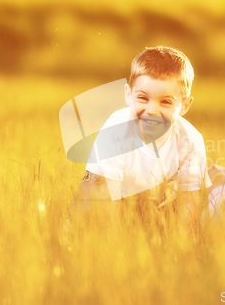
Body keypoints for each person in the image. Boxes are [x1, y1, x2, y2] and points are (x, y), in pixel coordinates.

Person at [75, 46, 211, 229]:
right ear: (128, 95)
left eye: (166, 102)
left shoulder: (190, 141)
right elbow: (107, 196)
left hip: (154, 202)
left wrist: (181, 244)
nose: (152, 110)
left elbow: (190, 201)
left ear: (185, 105)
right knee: (88, 213)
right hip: (105, 198)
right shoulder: (117, 130)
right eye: (143, 98)